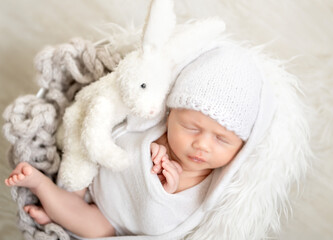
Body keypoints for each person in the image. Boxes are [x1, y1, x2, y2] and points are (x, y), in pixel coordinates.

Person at [5, 44, 274, 239]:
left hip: (114, 225)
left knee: (95, 228)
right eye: (190, 127)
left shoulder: (217, 187)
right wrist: (150, 151)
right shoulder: (154, 122)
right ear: (170, 114)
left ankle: (44, 191)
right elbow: (121, 129)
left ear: (242, 146)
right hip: (93, 180)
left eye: (221, 139)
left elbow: (171, 223)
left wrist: (169, 189)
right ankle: (56, 206)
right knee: (76, 179)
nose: (202, 145)